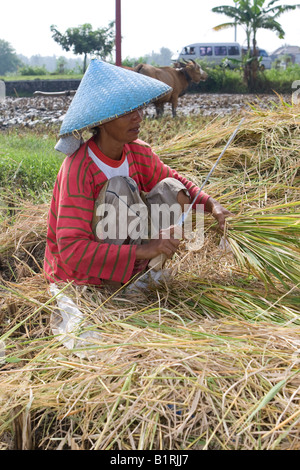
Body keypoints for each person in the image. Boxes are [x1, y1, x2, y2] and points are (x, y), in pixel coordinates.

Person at [44, 59, 231, 287]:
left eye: (139, 108)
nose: (139, 117)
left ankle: (142, 275)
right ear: (101, 120)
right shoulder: (79, 168)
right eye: (127, 111)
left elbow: (175, 181)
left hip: (132, 253)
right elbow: (72, 248)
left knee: (173, 189)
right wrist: (144, 249)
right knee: (119, 187)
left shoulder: (136, 150)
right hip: (85, 276)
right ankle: (115, 283)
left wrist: (211, 205)